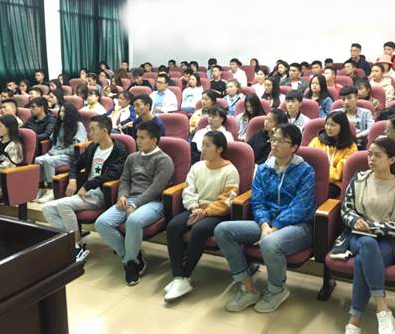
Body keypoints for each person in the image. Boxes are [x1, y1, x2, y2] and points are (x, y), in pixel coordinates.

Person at [214, 124, 316, 313]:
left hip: (298, 226)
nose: (274, 144)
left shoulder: (305, 171)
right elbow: (258, 201)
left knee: (269, 242)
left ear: (294, 147)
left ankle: (277, 290)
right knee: (223, 230)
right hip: (266, 224)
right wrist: (264, 225)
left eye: (280, 141)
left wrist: (274, 227)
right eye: (273, 139)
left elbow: (300, 207)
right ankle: (248, 287)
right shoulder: (263, 169)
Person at [329, 137, 395, 334]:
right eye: (369, 154)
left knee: (363, 260)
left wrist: (375, 227)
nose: (371, 159)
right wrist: (354, 220)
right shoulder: (359, 179)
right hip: (357, 236)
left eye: (377, 155)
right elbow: (346, 209)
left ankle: (354, 321)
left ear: (391, 159)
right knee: (368, 244)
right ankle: (383, 310)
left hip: (388, 242)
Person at [95, 121, 174, 285]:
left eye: (142, 138)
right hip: (130, 199)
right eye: (137, 137)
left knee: (133, 220)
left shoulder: (164, 160)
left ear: (154, 140)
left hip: (153, 202)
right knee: (101, 223)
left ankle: (131, 264)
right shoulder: (132, 158)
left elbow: (156, 188)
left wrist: (135, 204)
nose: (137, 141)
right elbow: (125, 180)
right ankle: (132, 257)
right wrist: (122, 196)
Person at [164, 131, 240, 302]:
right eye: (202, 145)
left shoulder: (230, 171)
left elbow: (228, 200)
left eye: (207, 145)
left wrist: (206, 212)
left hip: (217, 214)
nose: (203, 149)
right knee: (173, 226)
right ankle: (178, 277)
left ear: (219, 149)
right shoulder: (197, 167)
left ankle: (186, 274)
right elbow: (188, 190)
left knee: (198, 230)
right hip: (196, 208)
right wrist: (195, 207)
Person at [42, 115, 128, 261]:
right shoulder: (93, 147)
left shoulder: (119, 149)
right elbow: (75, 164)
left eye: (93, 129)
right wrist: (73, 179)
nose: (90, 133)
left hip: (102, 193)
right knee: (47, 208)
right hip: (86, 194)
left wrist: (87, 185)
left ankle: (75, 246)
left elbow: (113, 174)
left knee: (63, 205)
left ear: (104, 130)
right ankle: (74, 244)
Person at [34, 104, 87, 203]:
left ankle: (51, 190)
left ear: (70, 113)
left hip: (69, 155)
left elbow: (77, 146)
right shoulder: (60, 124)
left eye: (64, 112)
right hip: (55, 153)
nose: (61, 114)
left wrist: (58, 153)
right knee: (37, 160)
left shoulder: (78, 126)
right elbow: (53, 141)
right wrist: (53, 152)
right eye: (60, 111)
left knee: (48, 161)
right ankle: (41, 188)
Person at [308, 111, 358, 197]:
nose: (328, 128)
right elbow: (308, 163)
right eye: (327, 124)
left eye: (333, 125)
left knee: (317, 195)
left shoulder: (351, 147)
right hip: (313, 179)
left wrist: (321, 172)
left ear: (342, 127)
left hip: (334, 184)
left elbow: (338, 174)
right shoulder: (316, 141)